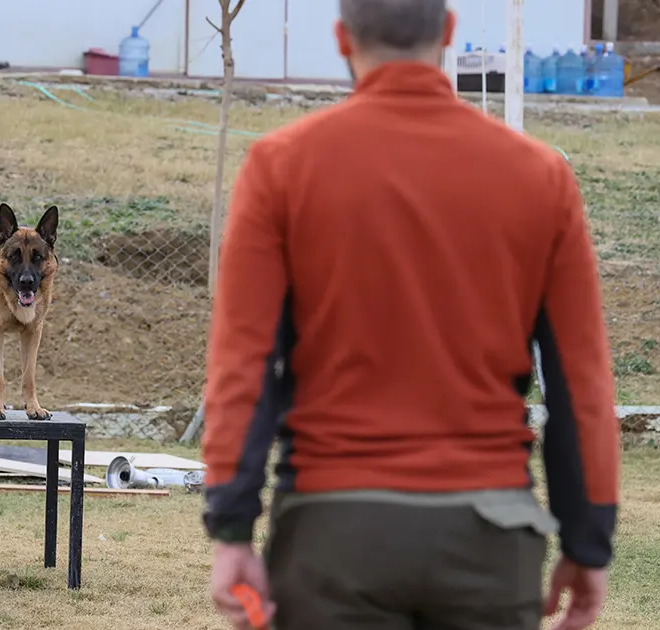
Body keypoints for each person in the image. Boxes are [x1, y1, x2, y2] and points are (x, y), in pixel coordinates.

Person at [199, 1, 622, 629]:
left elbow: (245, 366)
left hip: (331, 535)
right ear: (448, 33)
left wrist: (232, 528)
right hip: (489, 538)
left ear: (342, 39)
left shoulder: (280, 169)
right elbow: (581, 385)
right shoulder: (541, 179)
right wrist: (587, 543)